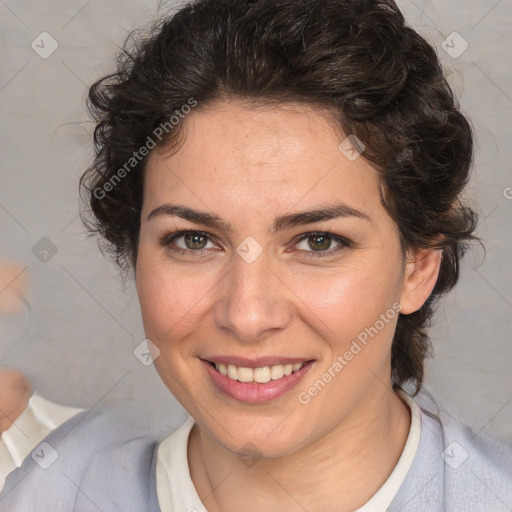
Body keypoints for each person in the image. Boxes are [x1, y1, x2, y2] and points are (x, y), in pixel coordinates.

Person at [1, 0, 511, 510]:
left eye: (319, 241)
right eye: (194, 240)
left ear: (418, 266)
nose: (246, 316)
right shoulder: (49, 492)